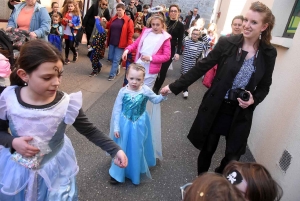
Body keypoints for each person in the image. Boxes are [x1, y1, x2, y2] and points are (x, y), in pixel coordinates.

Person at [0, 39, 127, 200]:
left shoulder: (66, 103)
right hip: (17, 171)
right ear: (24, 75)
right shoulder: (8, 99)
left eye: (59, 75)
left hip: (54, 172)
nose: (57, 82)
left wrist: (115, 150)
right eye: (47, 77)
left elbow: (89, 129)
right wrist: (12, 142)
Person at [161, 1, 277, 175]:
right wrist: (174, 86)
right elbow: (202, 66)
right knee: (207, 148)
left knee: (233, 157)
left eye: (254, 22)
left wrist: (254, 99)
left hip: (240, 112)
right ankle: (202, 182)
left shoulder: (268, 53)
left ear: (264, 26)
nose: (246, 25)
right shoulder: (227, 43)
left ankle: (218, 176)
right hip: (217, 105)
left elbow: (265, 86)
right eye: (246, 19)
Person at [109, 63, 166, 185]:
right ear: (127, 77)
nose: (134, 82)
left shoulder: (145, 90)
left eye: (138, 79)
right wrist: (116, 127)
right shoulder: (123, 91)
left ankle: (134, 171)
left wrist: (163, 95)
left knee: (137, 146)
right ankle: (118, 172)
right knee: (122, 146)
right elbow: (117, 110)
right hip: (124, 124)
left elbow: (155, 99)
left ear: (143, 79)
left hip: (140, 123)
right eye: (131, 78)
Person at [121, 14, 171, 88]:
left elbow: (166, 56)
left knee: (146, 90)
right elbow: (135, 43)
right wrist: (127, 50)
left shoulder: (165, 38)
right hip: (140, 63)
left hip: (152, 68)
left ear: (162, 25)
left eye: (158, 24)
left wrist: (151, 58)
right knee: (134, 86)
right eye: (153, 24)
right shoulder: (146, 33)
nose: (155, 27)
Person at [152, 4, 184, 94]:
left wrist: (178, 53)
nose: (173, 13)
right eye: (171, 11)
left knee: (163, 71)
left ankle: (156, 88)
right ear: (169, 12)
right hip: (159, 47)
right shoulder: (164, 22)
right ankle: (151, 84)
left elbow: (180, 40)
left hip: (170, 50)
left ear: (178, 13)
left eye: (175, 11)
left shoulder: (180, 25)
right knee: (155, 68)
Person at [106, 3, 134, 81]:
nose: (118, 12)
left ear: (124, 10)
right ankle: (117, 66)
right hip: (112, 42)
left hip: (121, 44)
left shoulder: (128, 20)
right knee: (110, 58)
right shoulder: (113, 18)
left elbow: (130, 33)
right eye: (117, 10)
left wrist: (128, 46)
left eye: (120, 10)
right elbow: (108, 26)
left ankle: (112, 74)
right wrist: (104, 21)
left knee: (115, 59)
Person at [181, 29, 210, 98]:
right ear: (191, 34)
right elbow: (182, 41)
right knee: (185, 75)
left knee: (187, 76)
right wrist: (185, 33)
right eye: (193, 34)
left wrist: (204, 36)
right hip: (186, 59)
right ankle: (185, 90)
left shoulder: (200, 44)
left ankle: (181, 86)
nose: (194, 35)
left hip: (193, 61)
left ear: (199, 36)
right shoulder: (187, 41)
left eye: (196, 34)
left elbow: (208, 46)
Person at [61, 0, 81, 64]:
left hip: (73, 32)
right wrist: (64, 21)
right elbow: (63, 22)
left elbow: (79, 24)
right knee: (66, 45)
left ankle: (75, 53)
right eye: (69, 6)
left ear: (74, 7)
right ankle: (66, 58)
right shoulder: (65, 13)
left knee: (71, 45)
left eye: (71, 6)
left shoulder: (77, 14)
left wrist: (72, 25)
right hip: (66, 31)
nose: (70, 7)